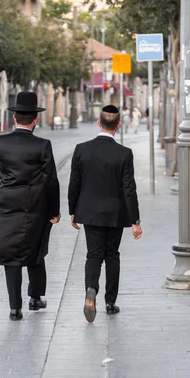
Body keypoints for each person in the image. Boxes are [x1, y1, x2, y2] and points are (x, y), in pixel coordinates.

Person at [0, 91, 61, 321]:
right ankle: (35, 298)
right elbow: (51, 180)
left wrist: (2, 190)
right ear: (35, 120)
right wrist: (54, 211)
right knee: (35, 251)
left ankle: (15, 308)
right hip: (34, 207)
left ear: (14, 118)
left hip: (4, 206)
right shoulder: (43, 145)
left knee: (11, 257)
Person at [68, 105, 142, 323]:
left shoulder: (81, 149)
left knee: (93, 255)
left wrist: (73, 211)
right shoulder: (124, 154)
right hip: (115, 214)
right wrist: (135, 220)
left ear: (98, 123)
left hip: (90, 212)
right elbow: (129, 189)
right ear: (118, 126)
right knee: (112, 255)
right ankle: (110, 302)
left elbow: (74, 184)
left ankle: (91, 289)